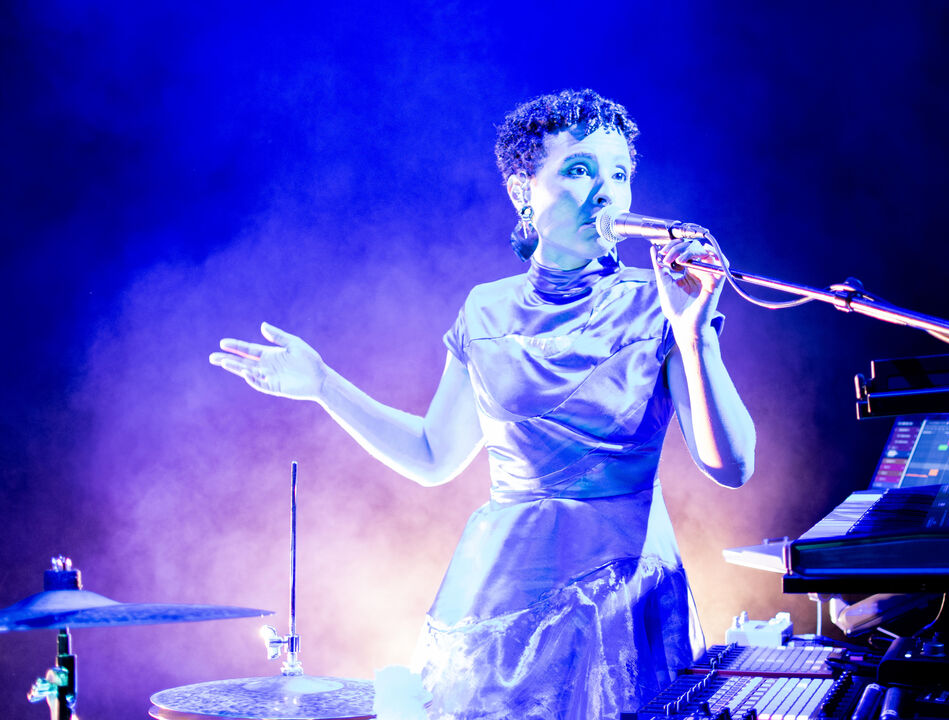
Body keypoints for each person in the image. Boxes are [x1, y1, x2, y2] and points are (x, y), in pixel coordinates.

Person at [210, 88, 755, 719]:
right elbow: (434, 456)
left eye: (620, 174)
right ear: (523, 190)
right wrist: (325, 384)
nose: (606, 192)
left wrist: (693, 337)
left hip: (622, 600)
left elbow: (732, 468)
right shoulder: (485, 309)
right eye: (578, 170)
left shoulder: (659, 303)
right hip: (506, 601)